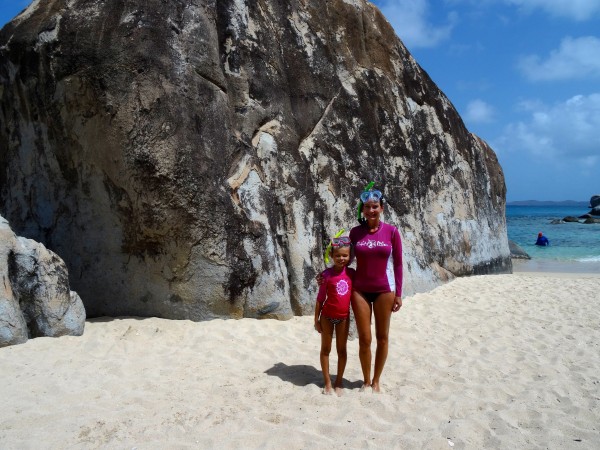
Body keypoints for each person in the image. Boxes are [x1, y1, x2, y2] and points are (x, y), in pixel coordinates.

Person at [349, 185, 403, 393]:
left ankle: (377, 380)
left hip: (384, 291)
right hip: (360, 290)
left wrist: (398, 293)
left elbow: (398, 264)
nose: (371, 210)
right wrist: (328, 273)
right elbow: (346, 259)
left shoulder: (392, 232)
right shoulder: (355, 233)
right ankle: (365, 380)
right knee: (365, 338)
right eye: (367, 207)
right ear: (362, 210)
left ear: (381, 209)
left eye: (375, 207)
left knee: (382, 337)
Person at [314, 236, 355, 396]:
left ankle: (339, 381)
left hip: (343, 318)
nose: (341, 258)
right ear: (331, 255)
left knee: (342, 350)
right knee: (326, 349)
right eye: (338, 255)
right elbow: (320, 298)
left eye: (345, 255)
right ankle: (327, 382)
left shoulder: (352, 274)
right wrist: (316, 319)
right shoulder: (326, 275)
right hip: (326, 317)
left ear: (349, 256)